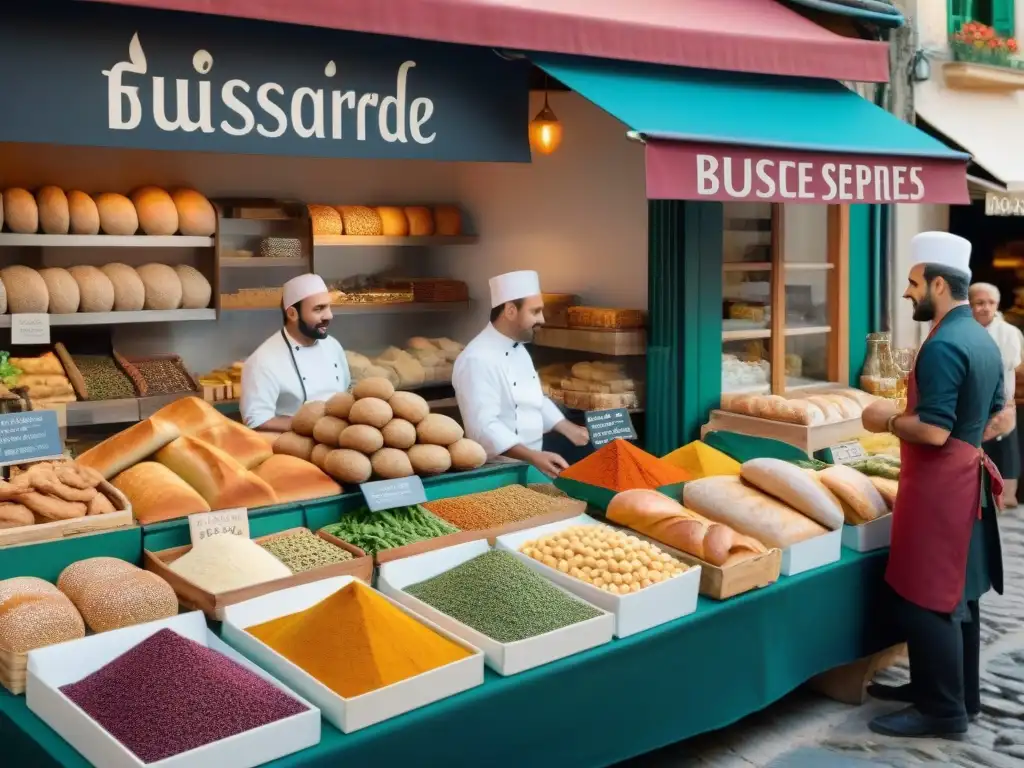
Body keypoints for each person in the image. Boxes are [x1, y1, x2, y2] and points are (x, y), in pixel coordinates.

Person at [861, 232, 1004, 739]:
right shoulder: (981, 336)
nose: (907, 292)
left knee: (928, 597)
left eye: (913, 282)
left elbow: (933, 429)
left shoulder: (943, 343)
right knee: (958, 593)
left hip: (940, 483)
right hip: (965, 476)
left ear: (938, 284)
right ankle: (954, 694)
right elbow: (993, 413)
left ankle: (941, 713)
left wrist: (883, 420)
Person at [453, 270, 590, 477]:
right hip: (499, 470)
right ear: (509, 311)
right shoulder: (477, 359)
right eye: (535, 312)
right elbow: (483, 428)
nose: (542, 319)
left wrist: (569, 428)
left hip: (531, 463)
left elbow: (534, 399)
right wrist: (532, 456)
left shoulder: (520, 348)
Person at [241, 273, 351, 432]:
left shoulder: (332, 346)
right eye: (319, 309)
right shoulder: (262, 361)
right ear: (292, 314)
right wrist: (311, 427)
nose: (329, 316)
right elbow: (256, 420)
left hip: (338, 437)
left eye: (328, 307)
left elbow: (345, 391)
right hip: (294, 443)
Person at [969, 282, 1023, 506]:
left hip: (1002, 408)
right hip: (969, 408)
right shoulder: (961, 330)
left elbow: (1018, 368)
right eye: (979, 303)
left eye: (990, 303)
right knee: (973, 462)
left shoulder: (1010, 332)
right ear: (969, 304)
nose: (985, 308)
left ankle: (1008, 503)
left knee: (1006, 458)